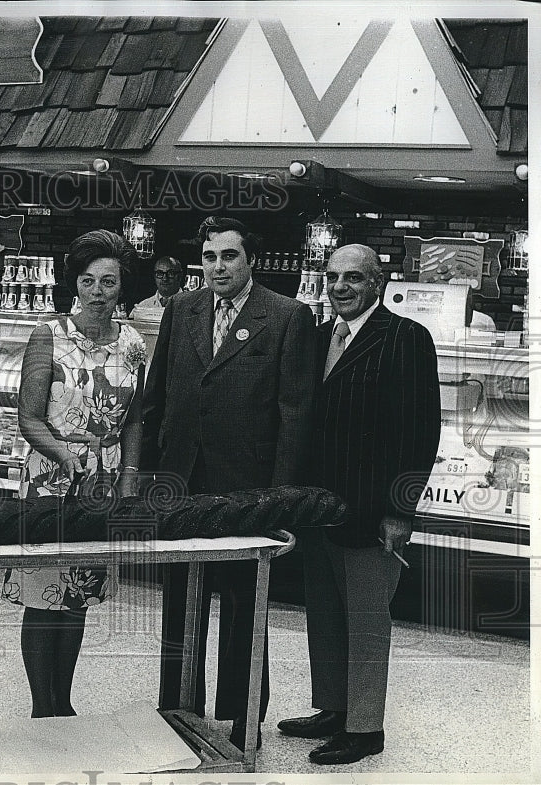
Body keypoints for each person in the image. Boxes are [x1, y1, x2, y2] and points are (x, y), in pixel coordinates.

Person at [140, 215, 318, 751]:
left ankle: (242, 721)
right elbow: (158, 396)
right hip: (183, 486)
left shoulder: (287, 317)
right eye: (210, 257)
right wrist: (151, 477)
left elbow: (295, 415)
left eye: (229, 257)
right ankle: (177, 711)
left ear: (251, 261)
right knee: (181, 604)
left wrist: (280, 502)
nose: (218, 267)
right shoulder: (183, 309)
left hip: (247, 493)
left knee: (244, 608)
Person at [277, 244, 440, 765]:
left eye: (353, 278)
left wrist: (401, 510)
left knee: (368, 622)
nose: (340, 287)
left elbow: (422, 432)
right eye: (332, 277)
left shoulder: (406, 338)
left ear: (377, 283)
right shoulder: (321, 336)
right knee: (324, 614)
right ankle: (332, 708)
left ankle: (366, 727)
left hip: (373, 512)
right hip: (321, 508)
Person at [2, 229, 145, 718]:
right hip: (51, 477)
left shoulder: (133, 342)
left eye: (108, 281)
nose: (98, 291)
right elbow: (29, 416)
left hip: (102, 481)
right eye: (88, 280)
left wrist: (128, 476)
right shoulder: (49, 334)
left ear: (122, 286)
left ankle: (64, 702)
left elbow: (137, 419)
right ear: (74, 283)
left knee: (78, 591)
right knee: (45, 593)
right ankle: (43, 705)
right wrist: (65, 455)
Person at [130, 255, 184, 320]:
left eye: (170, 273)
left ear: (180, 276)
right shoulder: (142, 307)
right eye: (160, 273)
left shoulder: (191, 306)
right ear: (154, 277)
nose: (165, 278)